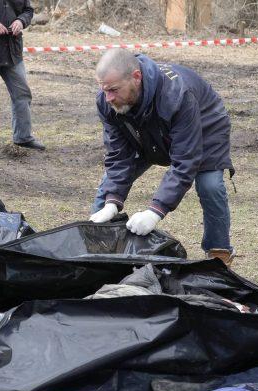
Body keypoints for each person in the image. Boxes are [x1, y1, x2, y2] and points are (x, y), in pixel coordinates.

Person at [88, 49, 235, 266]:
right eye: (104, 90)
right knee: (107, 188)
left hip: (204, 127)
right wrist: (112, 202)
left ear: (136, 77)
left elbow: (185, 160)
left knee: (209, 185)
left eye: (114, 90)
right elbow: (118, 156)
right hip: (148, 132)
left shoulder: (177, 95)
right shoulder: (108, 101)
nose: (108, 98)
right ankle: (95, 250)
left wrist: (155, 212)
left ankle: (219, 254)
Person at [0, 0, 45, 151]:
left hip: (13, 53)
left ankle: (23, 137)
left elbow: (28, 11)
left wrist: (21, 21)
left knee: (22, 95)